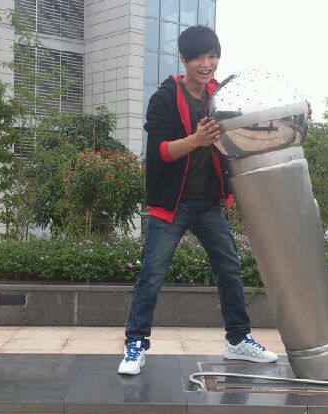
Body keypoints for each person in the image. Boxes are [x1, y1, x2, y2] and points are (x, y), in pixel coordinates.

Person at [118, 25, 278, 376]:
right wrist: (196, 140)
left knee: (229, 268)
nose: (206, 64)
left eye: (212, 56)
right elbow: (160, 152)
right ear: (183, 59)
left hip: (208, 202)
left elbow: (253, 121)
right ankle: (136, 344)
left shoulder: (222, 95)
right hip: (171, 205)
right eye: (198, 58)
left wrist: (293, 113)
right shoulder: (164, 98)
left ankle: (238, 340)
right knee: (151, 275)